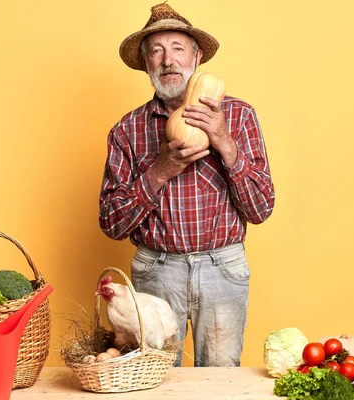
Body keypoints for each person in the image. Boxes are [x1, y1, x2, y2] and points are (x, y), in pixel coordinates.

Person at [98, 2, 275, 367]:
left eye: (178, 48)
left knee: (221, 381)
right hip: (157, 270)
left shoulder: (239, 116)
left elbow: (261, 209)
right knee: (155, 380)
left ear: (196, 57)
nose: (168, 60)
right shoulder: (127, 130)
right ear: (146, 63)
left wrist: (225, 142)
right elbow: (111, 223)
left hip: (222, 267)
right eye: (157, 51)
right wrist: (159, 170)